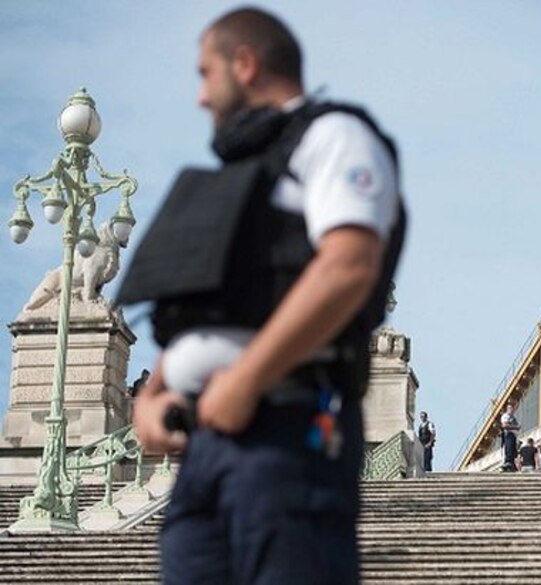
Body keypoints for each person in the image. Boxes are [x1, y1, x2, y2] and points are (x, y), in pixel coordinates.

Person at [120, 8, 405, 584]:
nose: (200, 96)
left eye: (206, 73)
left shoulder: (334, 138)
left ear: (245, 64)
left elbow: (348, 267)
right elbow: (203, 315)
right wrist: (152, 394)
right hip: (204, 446)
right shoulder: (237, 179)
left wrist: (246, 379)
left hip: (289, 426)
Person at [500, 403, 521, 472]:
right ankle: (508, 462)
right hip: (509, 434)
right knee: (509, 449)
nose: (512, 410)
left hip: (514, 435)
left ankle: (511, 463)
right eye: (510, 408)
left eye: (513, 408)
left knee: (513, 451)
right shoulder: (505, 416)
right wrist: (516, 427)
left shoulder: (513, 417)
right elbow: (504, 425)